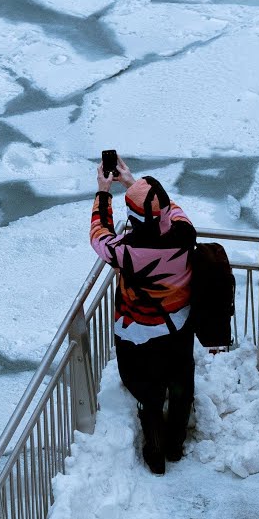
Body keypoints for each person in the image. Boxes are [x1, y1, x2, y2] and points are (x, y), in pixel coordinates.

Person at [89, 156, 196, 474]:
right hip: (178, 325)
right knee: (181, 384)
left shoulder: (126, 251)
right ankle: (176, 445)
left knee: (149, 391)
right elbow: (170, 209)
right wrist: (133, 183)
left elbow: (99, 235)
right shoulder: (185, 235)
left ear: (133, 218)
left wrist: (104, 192)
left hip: (140, 333)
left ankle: (155, 451)